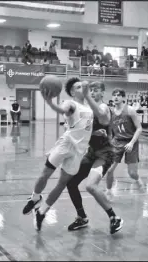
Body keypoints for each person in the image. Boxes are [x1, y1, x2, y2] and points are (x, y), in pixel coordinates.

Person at [22, 77, 94, 231]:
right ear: (72, 92)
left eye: (82, 86)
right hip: (65, 144)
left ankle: (42, 212)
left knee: (62, 184)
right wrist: (49, 102)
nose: (81, 88)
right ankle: (35, 197)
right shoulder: (71, 104)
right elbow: (62, 110)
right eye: (77, 87)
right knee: (45, 174)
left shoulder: (90, 108)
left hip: (79, 151)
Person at [65, 81, 123, 234]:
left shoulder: (103, 107)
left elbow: (103, 119)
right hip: (92, 153)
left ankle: (114, 218)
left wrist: (87, 98)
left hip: (105, 154)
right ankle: (81, 217)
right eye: (90, 90)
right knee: (70, 183)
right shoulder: (87, 110)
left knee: (90, 186)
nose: (92, 93)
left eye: (96, 90)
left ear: (103, 93)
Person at [105, 88, 144, 199]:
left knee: (132, 173)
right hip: (117, 141)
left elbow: (139, 128)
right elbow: (110, 130)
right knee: (109, 169)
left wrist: (131, 143)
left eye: (118, 95)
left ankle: (137, 179)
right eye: (114, 95)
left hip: (131, 142)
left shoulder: (130, 110)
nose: (116, 97)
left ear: (123, 98)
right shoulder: (111, 112)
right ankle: (108, 191)